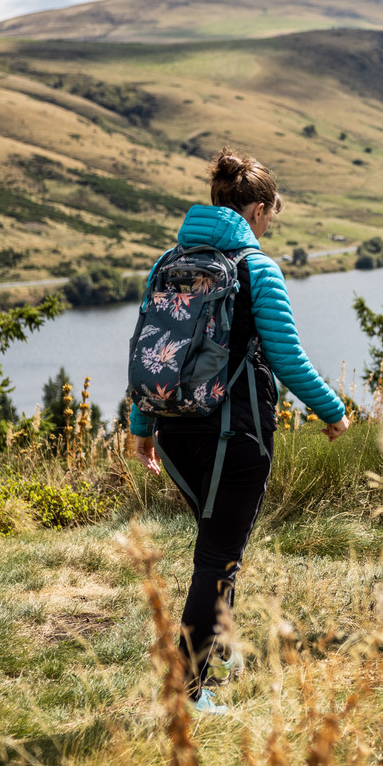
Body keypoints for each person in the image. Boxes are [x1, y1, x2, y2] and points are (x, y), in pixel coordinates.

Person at [130, 149, 349, 716]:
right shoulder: (257, 269)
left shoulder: (166, 262)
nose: (270, 224)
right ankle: (187, 688)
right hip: (236, 431)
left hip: (177, 429)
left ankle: (221, 641)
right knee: (219, 554)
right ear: (255, 209)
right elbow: (286, 357)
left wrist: (142, 426)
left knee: (219, 543)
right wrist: (333, 411)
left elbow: (152, 351)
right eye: (271, 214)